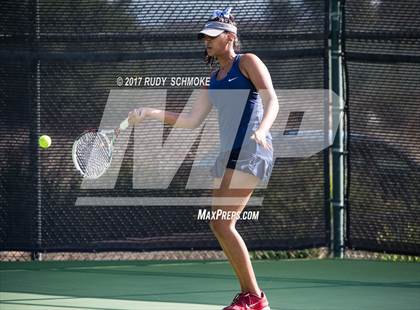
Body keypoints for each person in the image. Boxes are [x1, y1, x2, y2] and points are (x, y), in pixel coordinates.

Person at [128, 7, 278, 310]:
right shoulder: (213, 79)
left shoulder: (248, 62)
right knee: (218, 223)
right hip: (229, 155)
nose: (206, 42)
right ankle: (251, 296)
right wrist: (151, 113)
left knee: (223, 224)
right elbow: (190, 120)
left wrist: (262, 130)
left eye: (212, 36)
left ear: (230, 37)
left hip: (252, 150)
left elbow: (271, 98)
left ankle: (254, 298)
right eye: (204, 37)